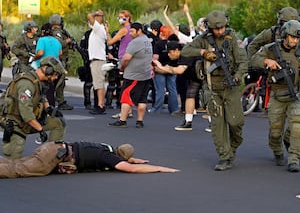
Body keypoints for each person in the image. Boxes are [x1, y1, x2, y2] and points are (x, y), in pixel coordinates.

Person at [181, 10, 248, 171]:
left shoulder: (231, 38)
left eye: (222, 28)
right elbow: (185, 51)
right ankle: (224, 157)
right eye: (217, 29)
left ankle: (232, 147)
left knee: (236, 123)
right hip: (211, 89)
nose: (220, 31)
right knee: (218, 127)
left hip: (230, 87)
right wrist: (203, 52)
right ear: (210, 28)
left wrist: (238, 76)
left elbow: (242, 61)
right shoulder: (203, 39)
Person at [250, 20, 300, 172]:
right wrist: (266, 61)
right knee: (275, 131)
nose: (295, 41)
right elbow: (253, 60)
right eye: (292, 37)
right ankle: (277, 150)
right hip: (277, 95)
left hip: (296, 94)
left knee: (297, 126)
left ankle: (294, 158)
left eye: (297, 38)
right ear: (285, 35)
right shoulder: (271, 49)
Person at [0, 141, 179, 178]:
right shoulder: (109, 157)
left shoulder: (105, 148)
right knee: (19, 171)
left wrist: (137, 160)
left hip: (53, 148)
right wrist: (160, 168)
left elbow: (129, 161)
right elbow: (129, 168)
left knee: (17, 163)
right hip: (55, 157)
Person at [1, 56, 66, 159]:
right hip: (16, 124)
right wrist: (40, 130)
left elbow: (42, 96)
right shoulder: (26, 84)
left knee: (58, 123)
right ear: (48, 70)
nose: (56, 78)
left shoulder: (38, 82)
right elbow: (26, 114)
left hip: (29, 122)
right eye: (56, 74)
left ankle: (51, 157)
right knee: (13, 162)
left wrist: (48, 108)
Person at [108, 22, 153, 128]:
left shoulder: (135, 42)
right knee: (142, 99)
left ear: (139, 30)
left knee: (126, 97)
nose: (130, 34)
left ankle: (122, 120)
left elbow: (126, 58)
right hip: (146, 74)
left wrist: (122, 68)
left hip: (133, 75)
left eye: (132, 31)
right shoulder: (147, 40)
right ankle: (140, 121)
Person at [153, 41, 203, 131]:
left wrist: (160, 67)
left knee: (210, 98)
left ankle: (214, 124)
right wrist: (156, 68)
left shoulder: (185, 54)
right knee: (189, 95)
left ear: (176, 50)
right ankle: (188, 122)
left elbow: (179, 70)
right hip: (195, 77)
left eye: (170, 52)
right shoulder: (176, 58)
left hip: (206, 76)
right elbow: (168, 68)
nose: (168, 55)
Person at [106, 10, 133, 112]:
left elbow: (110, 42)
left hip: (123, 57)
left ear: (128, 17)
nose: (120, 19)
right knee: (129, 83)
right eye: (119, 17)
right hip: (132, 57)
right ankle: (128, 109)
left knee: (124, 84)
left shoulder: (124, 30)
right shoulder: (133, 29)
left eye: (122, 17)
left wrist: (107, 32)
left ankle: (125, 110)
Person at [151, 25, 180, 115]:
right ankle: (174, 109)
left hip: (160, 69)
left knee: (160, 89)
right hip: (172, 69)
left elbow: (155, 58)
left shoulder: (159, 44)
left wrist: (153, 68)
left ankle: (157, 109)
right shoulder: (177, 45)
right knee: (172, 89)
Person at [33, 23, 63, 106]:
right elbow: (60, 53)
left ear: (43, 32)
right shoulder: (56, 41)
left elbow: (40, 52)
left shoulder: (41, 40)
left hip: (44, 69)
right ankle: (52, 107)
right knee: (51, 90)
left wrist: (34, 58)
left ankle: (45, 109)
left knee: (42, 90)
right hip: (55, 68)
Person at [49, 14, 74, 110]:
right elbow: (58, 44)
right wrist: (67, 41)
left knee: (60, 82)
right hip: (59, 60)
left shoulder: (60, 32)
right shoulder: (57, 32)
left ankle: (57, 100)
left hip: (61, 59)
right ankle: (60, 101)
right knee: (59, 82)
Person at [87, 10, 108, 115]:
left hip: (98, 59)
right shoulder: (97, 29)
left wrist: (95, 13)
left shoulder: (99, 28)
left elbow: (89, 15)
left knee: (99, 84)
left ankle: (100, 105)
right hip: (97, 59)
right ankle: (100, 104)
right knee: (98, 83)